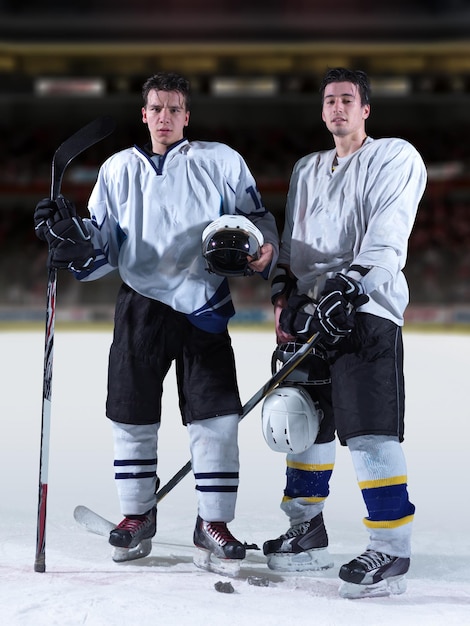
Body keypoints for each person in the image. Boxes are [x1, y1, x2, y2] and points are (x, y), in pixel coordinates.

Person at [34, 71, 278, 576]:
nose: (164, 117)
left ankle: (213, 523)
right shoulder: (117, 169)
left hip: (204, 304)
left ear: (187, 116)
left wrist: (261, 251)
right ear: (143, 115)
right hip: (140, 304)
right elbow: (101, 248)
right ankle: (136, 516)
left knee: (216, 420)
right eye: (156, 109)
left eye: (174, 109)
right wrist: (70, 237)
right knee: (132, 417)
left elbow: (258, 222)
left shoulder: (221, 161)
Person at [263, 67, 427, 598]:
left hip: (366, 310)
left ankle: (392, 548)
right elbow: (291, 239)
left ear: (365, 109)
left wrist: (350, 286)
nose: (337, 108)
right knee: (300, 423)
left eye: (347, 100)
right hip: (313, 313)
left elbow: (389, 231)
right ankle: (305, 528)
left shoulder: (395, 156)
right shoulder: (307, 168)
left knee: (369, 429)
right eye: (330, 100)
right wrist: (283, 294)